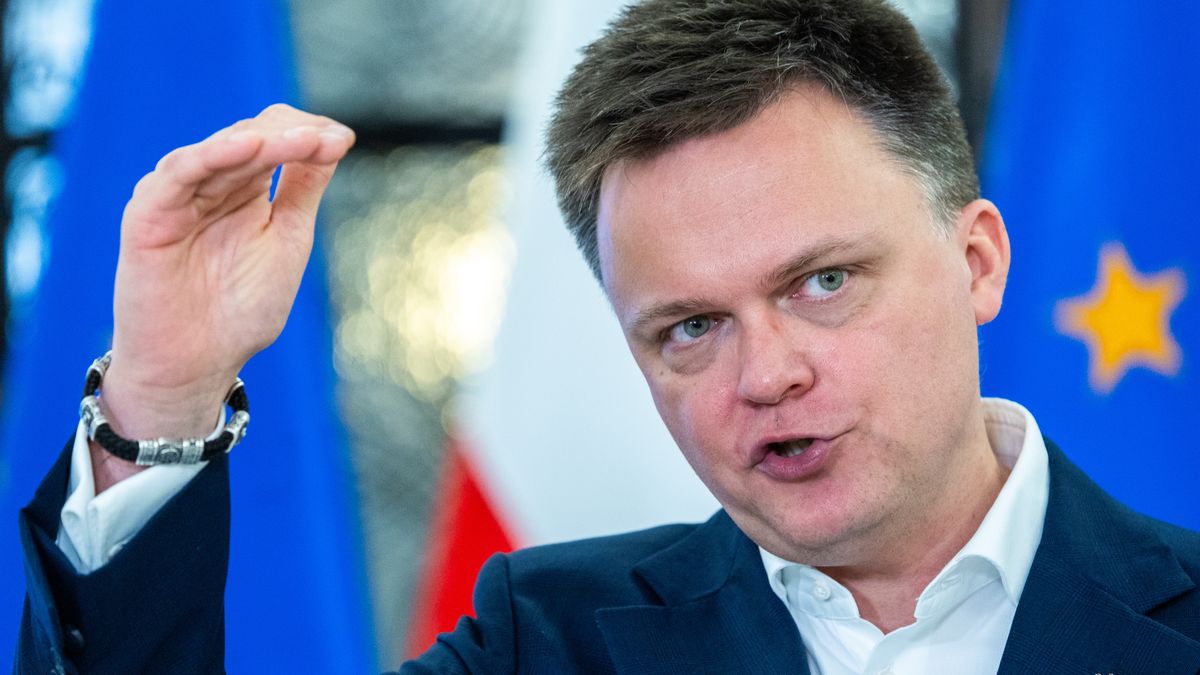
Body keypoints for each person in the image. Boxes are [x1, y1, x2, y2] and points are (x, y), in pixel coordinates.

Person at [15, 0, 1200, 673]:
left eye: (825, 280)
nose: (768, 372)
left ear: (978, 262)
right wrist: (164, 399)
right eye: (690, 327)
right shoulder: (548, 644)